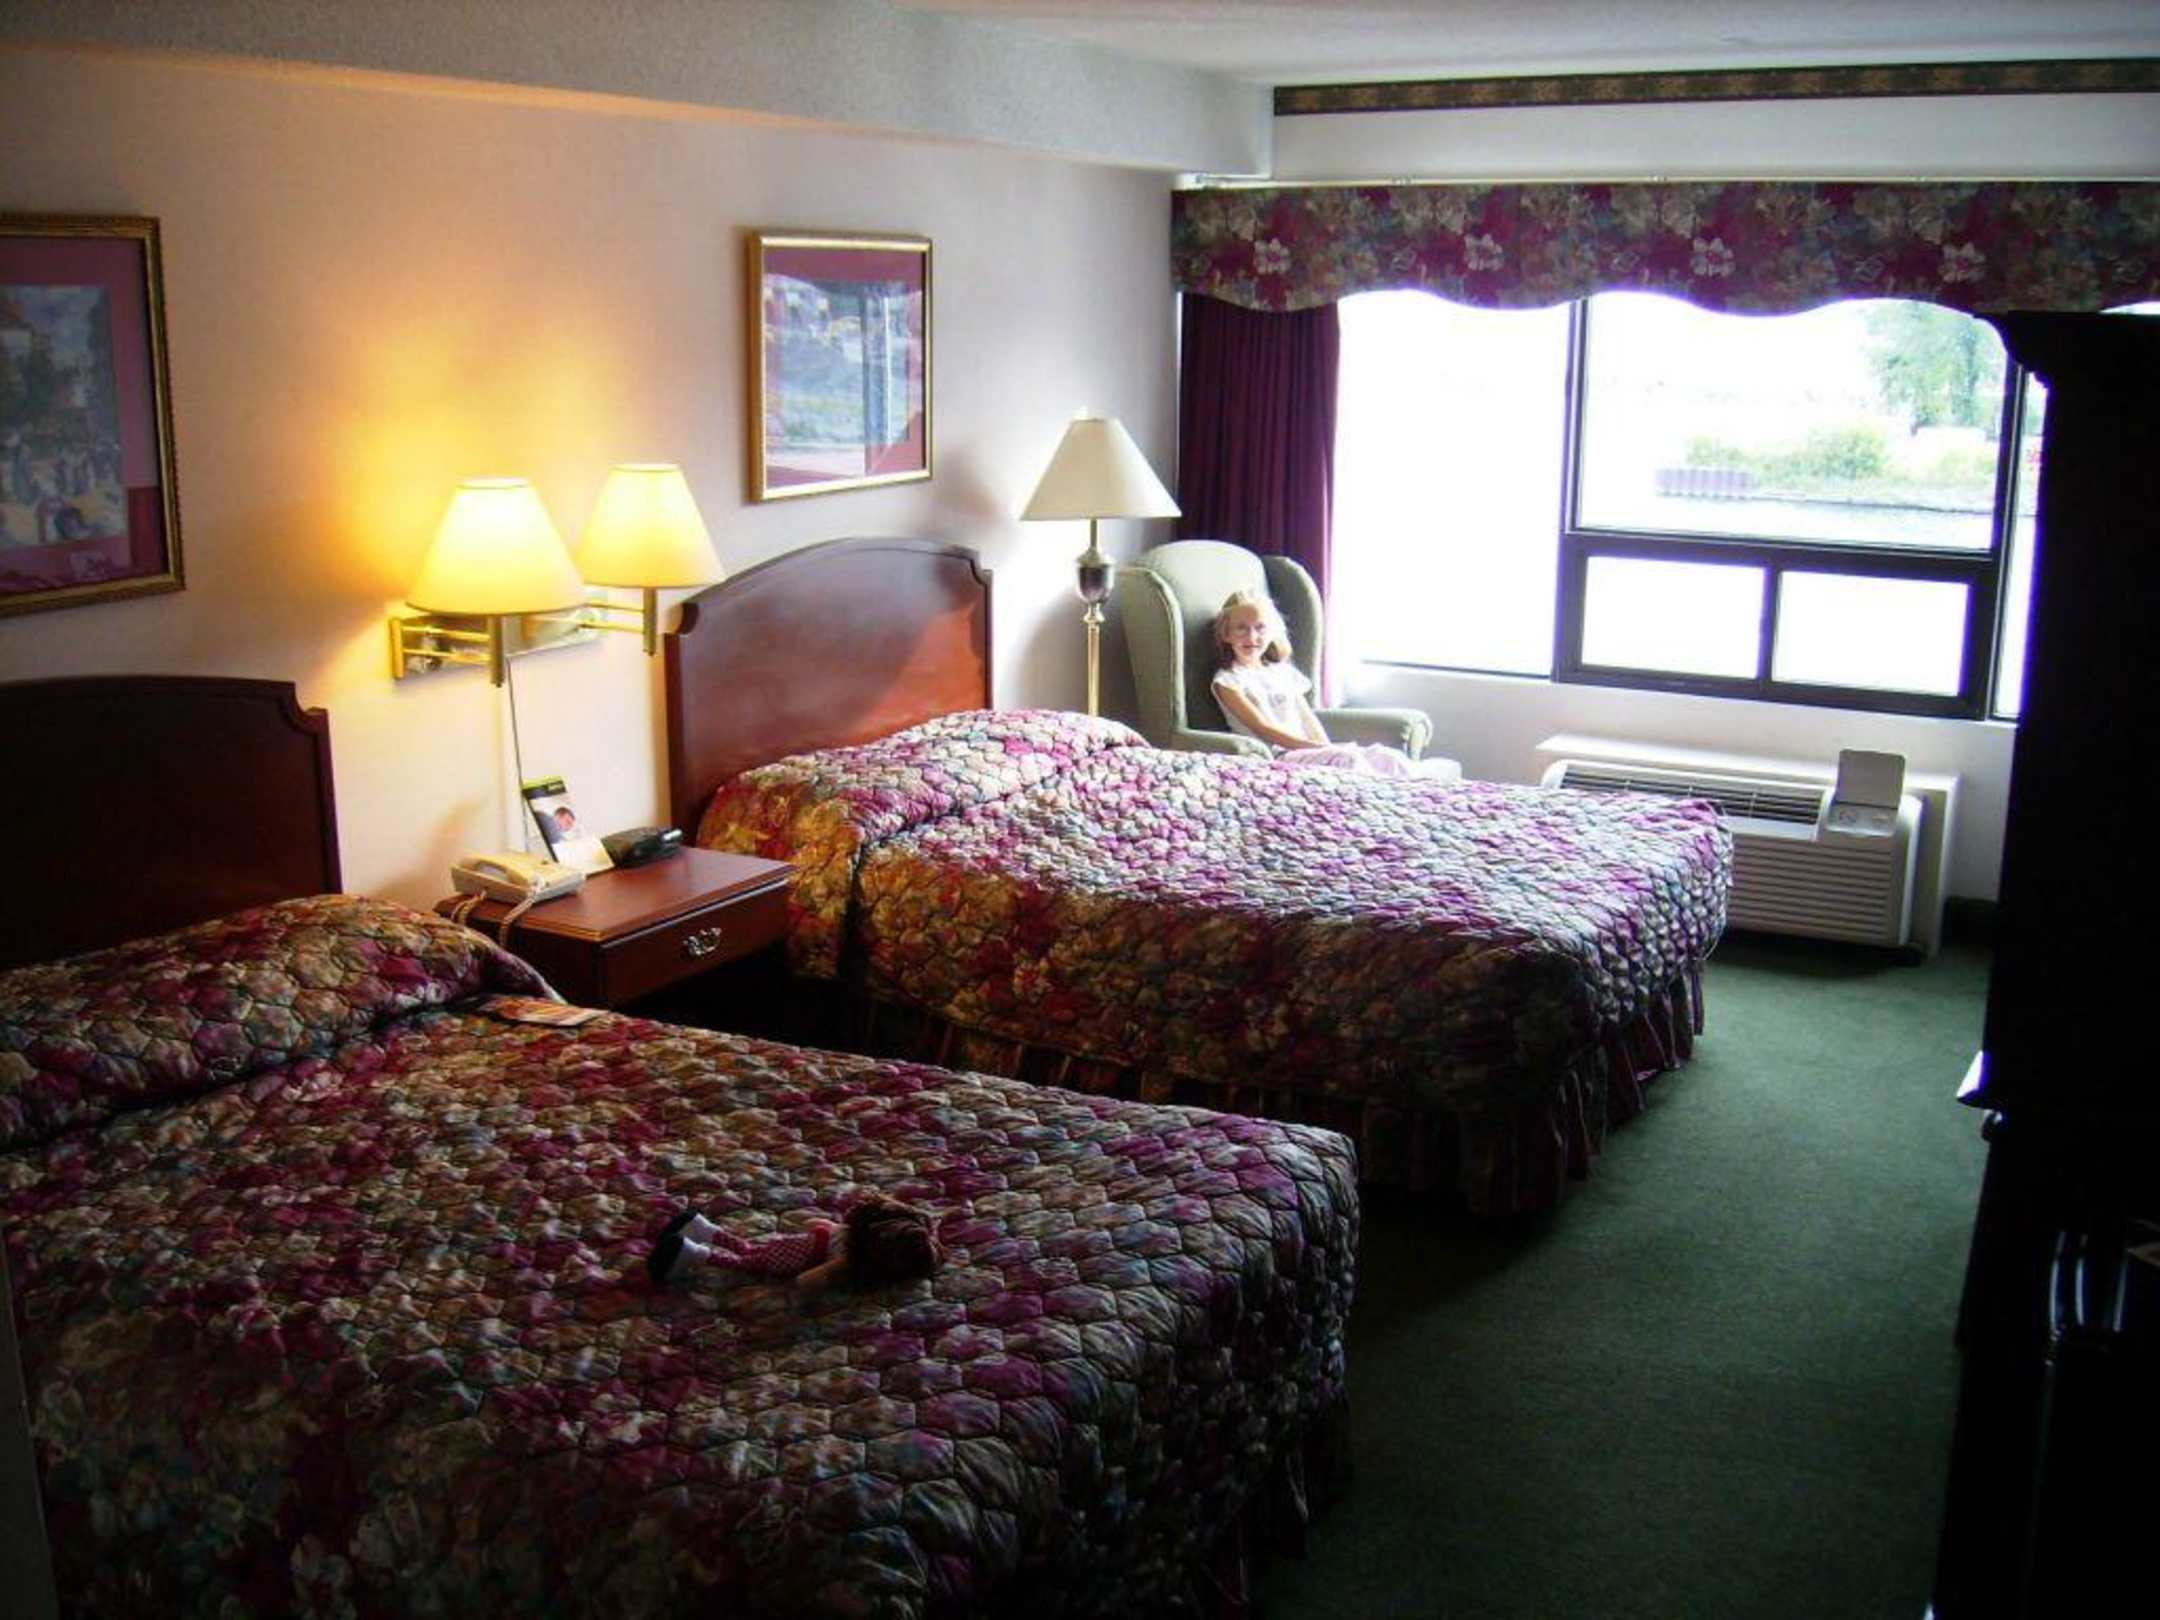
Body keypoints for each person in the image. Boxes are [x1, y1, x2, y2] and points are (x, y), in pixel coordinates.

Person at [1210, 589, 1457, 779]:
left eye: (1260, 628)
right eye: (1241, 629)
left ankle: (1423, 788)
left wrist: (1326, 747)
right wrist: (1318, 749)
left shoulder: (1281, 672)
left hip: (1309, 749)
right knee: (1348, 761)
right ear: (1226, 634)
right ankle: (1389, 796)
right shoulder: (1228, 681)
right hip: (1279, 756)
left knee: (1384, 755)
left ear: (1271, 632)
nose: (1252, 637)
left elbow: (1306, 717)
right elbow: (1263, 728)